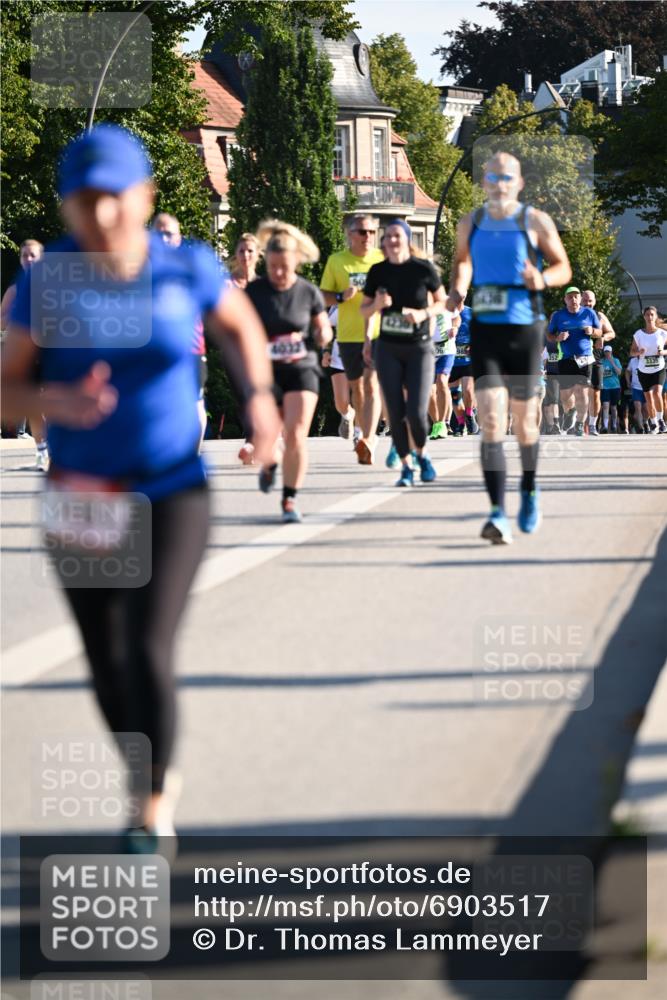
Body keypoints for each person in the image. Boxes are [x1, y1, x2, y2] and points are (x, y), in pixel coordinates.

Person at [1, 125, 280, 845]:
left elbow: (240, 330)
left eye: (113, 199)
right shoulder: (48, 277)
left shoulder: (185, 266)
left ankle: (151, 802)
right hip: (80, 491)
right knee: (104, 657)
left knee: (149, 647)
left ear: (144, 195)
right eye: (82, 201)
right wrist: (51, 405)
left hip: (169, 487)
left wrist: (257, 401)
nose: (98, 216)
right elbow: (6, 391)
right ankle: (141, 766)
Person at [447, 151, 571, 543]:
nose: (499, 184)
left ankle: (529, 488)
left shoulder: (534, 220)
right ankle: (497, 512)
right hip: (485, 330)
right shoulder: (472, 221)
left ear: (518, 183)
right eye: (492, 177)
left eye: (507, 177)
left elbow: (563, 267)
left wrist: (543, 279)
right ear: (484, 182)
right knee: (491, 422)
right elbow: (462, 262)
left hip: (525, 331)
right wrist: (458, 290)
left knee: (525, 423)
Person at [246, 219, 333, 523]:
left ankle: (289, 499)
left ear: (296, 261)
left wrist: (322, 336)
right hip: (265, 373)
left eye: (284, 266)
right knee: (267, 436)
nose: (279, 273)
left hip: (301, 368)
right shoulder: (254, 292)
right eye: (272, 267)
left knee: (296, 434)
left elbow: (323, 327)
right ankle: (269, 464)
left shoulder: (308, 292)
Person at [360, 219, 446, 487]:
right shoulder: (377, 272)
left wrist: (422, 313)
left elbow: (443, 302)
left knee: (417, 412)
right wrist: (376, 304)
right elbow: (363, 310)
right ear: (384, 243)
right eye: (388, 237)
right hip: (388, 348)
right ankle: (407, 467)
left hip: (419, 347)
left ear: (407, 240)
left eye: (398, 236)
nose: (393, 241)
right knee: (395, 411)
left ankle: (423, 455)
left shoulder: (423, 269)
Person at [320, 214, 384, 465]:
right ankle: (360, 429)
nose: (367, 237)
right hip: (348, 335)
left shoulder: (381, 259)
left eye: (371, 232)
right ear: (349, 233)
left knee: (371, 385)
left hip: (379, 333)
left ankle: (368, 437)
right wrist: (339, 297)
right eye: (361, 232)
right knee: (357, 388)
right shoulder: (337, 262)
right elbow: (322, 297)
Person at [151, 213, 210, 449]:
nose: (164, 238)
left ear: (179, 237)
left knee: (194, 404)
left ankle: (191, 454)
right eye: (159, 233)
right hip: (152, 349)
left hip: (191, 349)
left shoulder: (193, 266)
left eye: (169, 233)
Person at [1, 239, 50, 468]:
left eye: (33, 255)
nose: (28, 260)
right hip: (29, 353)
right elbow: (1, 322)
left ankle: (59, 449)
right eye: (24, 256)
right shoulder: (15, 289)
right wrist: (17, 318)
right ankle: (42, 451)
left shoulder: (57, 285)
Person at [548, 287, 600, 438]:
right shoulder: (558, 316)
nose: (573, 300)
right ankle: (570, 412)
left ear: (580, 298)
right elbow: (550, 335)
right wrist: (558, 338)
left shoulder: (589, 313)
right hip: (565, 358)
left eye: (576, 297)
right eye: (570, 297)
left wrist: (592, 331)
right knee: (565, 396)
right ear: (565, 300)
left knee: (581, 392)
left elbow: (599, 332)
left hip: (584, 357)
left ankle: (579, 425)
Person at [581, 289, 615, 436]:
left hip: (595, 357)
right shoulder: (574, 315)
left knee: (595, 393)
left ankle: (593, 424)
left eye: (590, 300)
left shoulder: (599, 316)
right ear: (580, 301)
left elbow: (612, 333)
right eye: (585, 300)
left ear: (594, 302)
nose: (588, 303)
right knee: (579, 393)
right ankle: (576, 424)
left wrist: (602, 338)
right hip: (578, 356)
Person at [321, 306, 356, 441]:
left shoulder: (373, 299)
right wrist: (326, 351)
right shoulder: (340, 303)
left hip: (366, 355)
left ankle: (361, 435)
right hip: (340, 356)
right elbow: (326, 326)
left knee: (363, 395)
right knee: (341, 402)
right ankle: (348, 415)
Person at [630, 305, 667, 433]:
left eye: (652, 314)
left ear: (655, 316)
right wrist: (639, 352)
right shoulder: (639, 334)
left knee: (657, 392)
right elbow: (631, 352)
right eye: (647, 315)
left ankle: (661, 420)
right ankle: (653, 423)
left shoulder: (663, 333)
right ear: (644, 317)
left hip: (659, 368)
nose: (650, 317)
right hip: (643, 370)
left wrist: (663, 352)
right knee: (649, 398)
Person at [429, 309, 458, 440]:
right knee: (428, 391)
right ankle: (436, 423)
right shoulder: (420, 300)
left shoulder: (446, 300)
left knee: (441, 381)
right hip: (427, 350)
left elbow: (457, 317)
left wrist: (455, 327)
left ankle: (442, 423)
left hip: (447, 349)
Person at [600, 344, 622, 433]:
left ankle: (613, 424)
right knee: (605, 406)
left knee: (613, 407)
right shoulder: (601, 361)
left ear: (611, 352)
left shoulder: (616, 360)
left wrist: (612, 362)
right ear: (604, 352)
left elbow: (619, 372)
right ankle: (605, 426)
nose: (607, 353)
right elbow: (599, 374)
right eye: (605, 351)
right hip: (605, 387)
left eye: (608, 351)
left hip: (615, 387)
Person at [626, 355, 646, 432]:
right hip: (636, 388)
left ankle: (645, 422)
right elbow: (627, 371)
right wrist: (628, 381)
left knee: (646, 409)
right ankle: (641, 428)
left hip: (646, 388)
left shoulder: (647, 358)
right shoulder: (632, 361)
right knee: (638, 408)